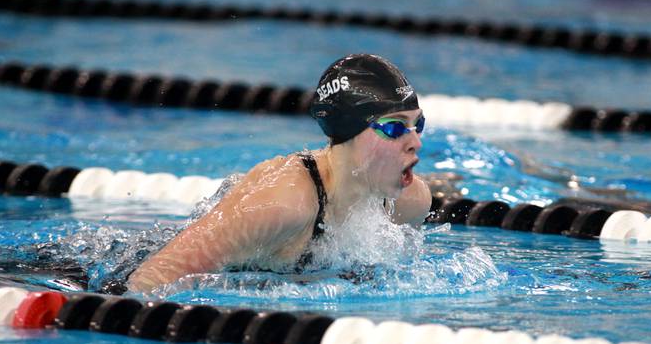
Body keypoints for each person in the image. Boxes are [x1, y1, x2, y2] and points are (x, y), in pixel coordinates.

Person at [127, 54, 431, 293]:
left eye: (418, 125)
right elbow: (153, 277)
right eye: (394, 127)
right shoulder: (282, 205)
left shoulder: (411, 202)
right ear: (348, 131)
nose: (415, 142)